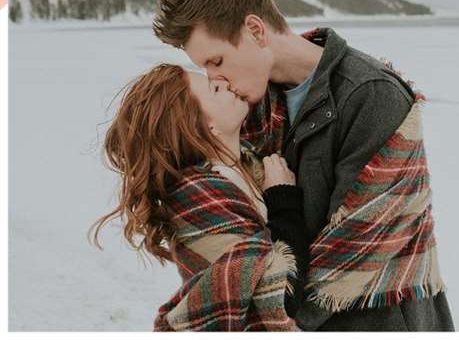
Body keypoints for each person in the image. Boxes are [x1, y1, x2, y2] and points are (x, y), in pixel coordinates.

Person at [151, 0, 455, 331]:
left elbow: (358, 245)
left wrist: (275, 317)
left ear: (255, 30)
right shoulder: (250, 106)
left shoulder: (372, 95)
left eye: (216, 61)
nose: (214, 78)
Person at [89, 63, 310, 331]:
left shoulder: (249, 164)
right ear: (206, 127)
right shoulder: (197, 196)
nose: (226, 84)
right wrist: (283, 203)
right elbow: (275, 295)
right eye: (214, 89)